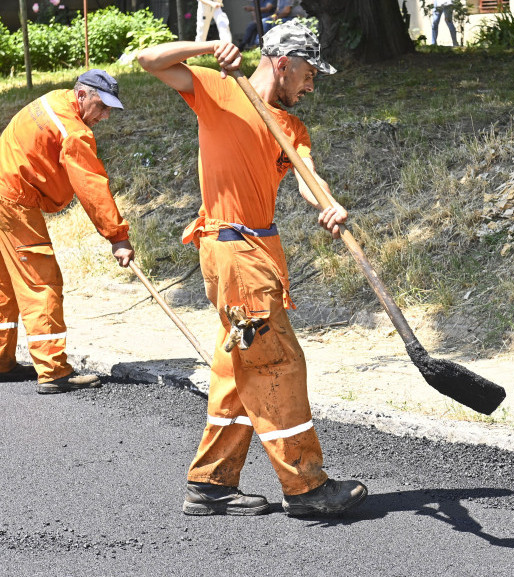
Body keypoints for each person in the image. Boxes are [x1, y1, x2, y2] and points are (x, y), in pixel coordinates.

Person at [136, 21, 368, 518]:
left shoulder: (290, 127)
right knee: (277, 363)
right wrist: (211, 47)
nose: (312, 85)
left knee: (237, 366)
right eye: (308, 73)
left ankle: (211, 483)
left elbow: (309, 178)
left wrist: (328, 204)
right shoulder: (218, 89)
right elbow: (148, 60)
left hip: (256, 253)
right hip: (234, 253)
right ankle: (305, 486)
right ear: (282, 63)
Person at [0, 69, 135, 395]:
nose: (104, 116)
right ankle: (52, 371)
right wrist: (117, 237)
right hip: (14, 200)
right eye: (101, 106)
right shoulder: (74, 131)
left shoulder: (53, 100)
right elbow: (91, 184)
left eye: (109, 109)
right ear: (82, 95)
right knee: (41, 280)